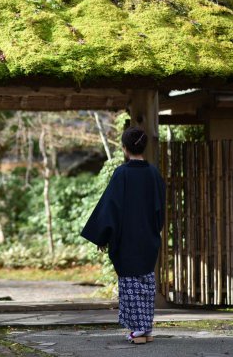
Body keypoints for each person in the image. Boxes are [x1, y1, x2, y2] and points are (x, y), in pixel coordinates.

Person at [81, 126, 165, 344]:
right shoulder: (154, 174)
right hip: (148, 237)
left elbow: (110, 207)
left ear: (124, 148)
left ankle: (137, 330)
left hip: (127, 240)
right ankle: (145, 328)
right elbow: (160, 209)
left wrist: (102, 236)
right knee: (146, 284)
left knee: (130, 285)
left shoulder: (122, 174)